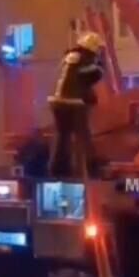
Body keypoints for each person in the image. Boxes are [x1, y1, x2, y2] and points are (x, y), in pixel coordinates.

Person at [48, 31, 105, 177]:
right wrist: (101, 64)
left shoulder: (70, 57)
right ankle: (93, 169)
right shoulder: (85, 58)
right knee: (83, 136)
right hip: (72, 103)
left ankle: (58, 170)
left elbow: (78, 81)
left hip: (58, 102)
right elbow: (94, 75)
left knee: (62, 137)